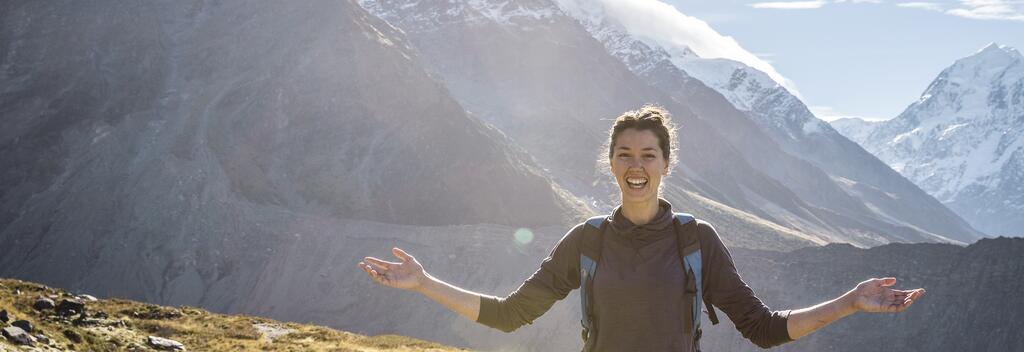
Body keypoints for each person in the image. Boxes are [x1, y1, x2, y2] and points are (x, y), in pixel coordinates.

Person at [357, 105, 925, 351]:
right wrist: (424, 283)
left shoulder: (695, 241)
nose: (636, 165)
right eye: (625, 153)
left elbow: (763, 328)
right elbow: (511, 315)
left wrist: (851, 302)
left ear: (665, 164)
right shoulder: (587, 242)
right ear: (611, 162)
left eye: (648, 155)